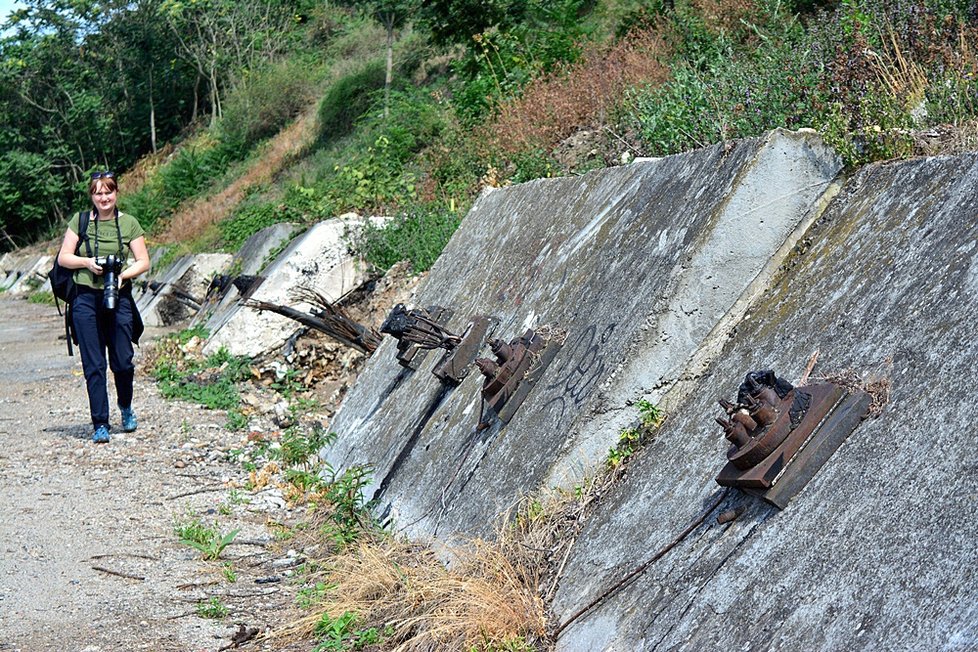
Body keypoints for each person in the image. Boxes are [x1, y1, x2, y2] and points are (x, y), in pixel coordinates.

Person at [57, 171, 150, 443]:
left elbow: (143, 260)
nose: (104, 197)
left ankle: (125, 406)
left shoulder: (129, 223)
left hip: (118, 296)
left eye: (108, 191)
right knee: (93, 364)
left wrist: (122, 275)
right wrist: (87, 263)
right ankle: (100, 423)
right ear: (92, 196)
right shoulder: (81, 221)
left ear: (116, 193)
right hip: (85, 299)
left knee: (122, 360)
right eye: (98, 192)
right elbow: (64, 257)